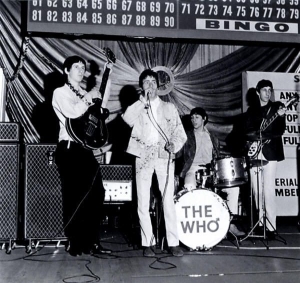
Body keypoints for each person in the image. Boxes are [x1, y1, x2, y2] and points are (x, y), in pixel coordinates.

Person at [122, 69, 187, 257]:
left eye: (153, 81)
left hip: (163, 157)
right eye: (146, 81)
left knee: (167, 200)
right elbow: (127, 119)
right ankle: (147, 242)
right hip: (143, 156)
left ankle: (173, 242)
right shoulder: (137, 106)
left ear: (158, 85)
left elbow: (179, 133)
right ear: (141, 86)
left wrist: (173, 144)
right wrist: (142, 102)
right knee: (143, 201)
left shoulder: (169, 108)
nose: (150, 84)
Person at [52, 55, 112, 256]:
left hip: (84, 150)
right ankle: (75, 242)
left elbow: (100, 98)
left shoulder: (85, 92)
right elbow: (72, 112)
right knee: (74, 196)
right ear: (66, 70)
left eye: (82, 67)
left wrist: (107, 73)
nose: (80, 69)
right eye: (76, 66)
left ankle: (93, 241)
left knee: (97, 193)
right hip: (69, 149)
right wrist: (88, 99)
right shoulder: (59, 92)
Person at [177, 107, 245, 237]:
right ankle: (193, 227)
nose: (193, 120)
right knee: (189, 188)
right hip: (192, 169)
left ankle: (230, 224)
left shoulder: (212, 137)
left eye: (197, 117)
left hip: (211, 170)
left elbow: (216, 156)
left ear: (204, 119)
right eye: (192, 117)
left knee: (233, 188)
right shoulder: (186, 135)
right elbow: (179, 155)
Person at [244, 79, 286, 239]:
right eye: (264, 90)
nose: (267, 93)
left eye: (270, 90)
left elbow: (280, 130)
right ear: (257, 92)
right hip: (255, 153)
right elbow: (247, 131)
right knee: (256, 190)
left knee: (268, 189)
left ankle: (271, 227)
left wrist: (281, 117)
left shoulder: (277, 107)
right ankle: (259, 224)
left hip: (270, 152)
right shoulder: (251, 111)